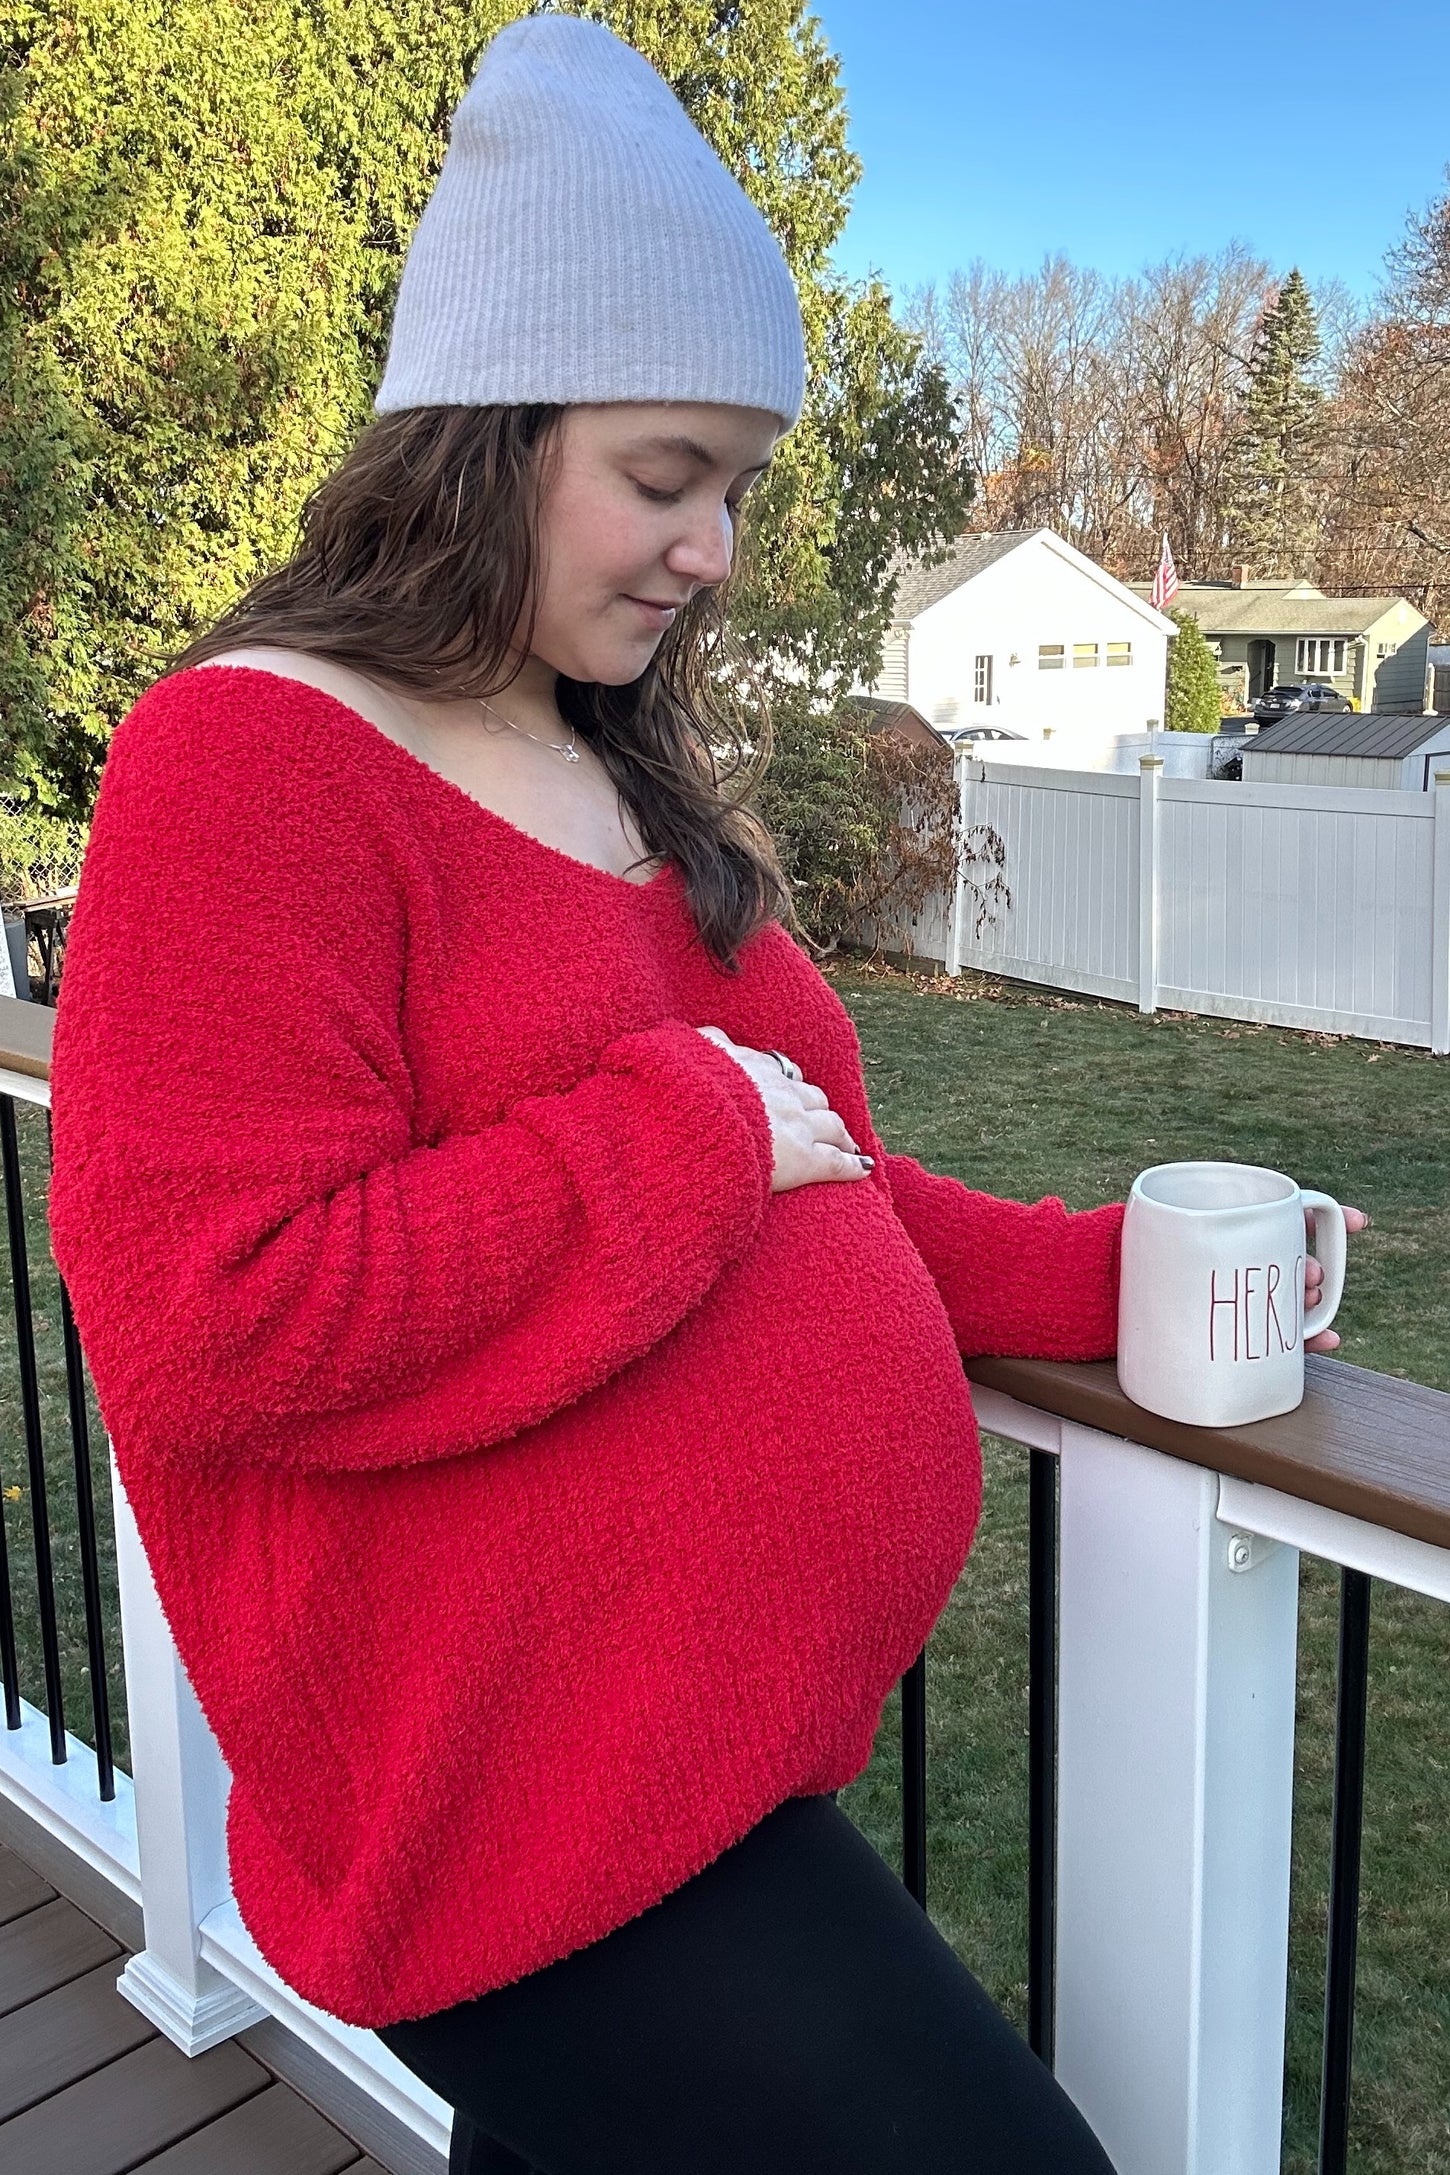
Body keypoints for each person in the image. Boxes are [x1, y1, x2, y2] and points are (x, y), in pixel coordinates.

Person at [45, 17, 1364, 2174]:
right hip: (522, 1831)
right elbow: (215, 1311)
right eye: (666, 474)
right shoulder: (249, 758)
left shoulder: (604, 755)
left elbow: (822, 1181)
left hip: (697, 1763)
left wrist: (1134, 1263)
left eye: (734, 486)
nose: (717, 547)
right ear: (480, 435)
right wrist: (673, 1130)